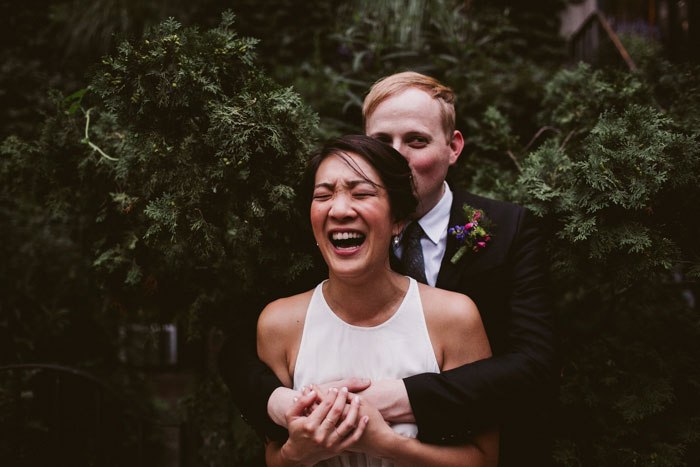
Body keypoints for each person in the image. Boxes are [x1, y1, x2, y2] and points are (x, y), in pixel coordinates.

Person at [219, 72, 555, 465]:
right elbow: (243, 346)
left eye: (416, 141)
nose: (396, 156)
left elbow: (534, 364)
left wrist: (393, 400)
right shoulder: (331, 229)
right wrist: (282, 404)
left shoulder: (507, 229)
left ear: (453, 147)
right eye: (381, 143)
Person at [257, 135, 498, 466]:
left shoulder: (454, 317)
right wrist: (297, 453)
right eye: (323, 195)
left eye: (362, 193)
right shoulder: (278, 324)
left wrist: (386, 444)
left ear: (397, 218)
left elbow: (484, 459)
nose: (339, 210)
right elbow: (273, 456)